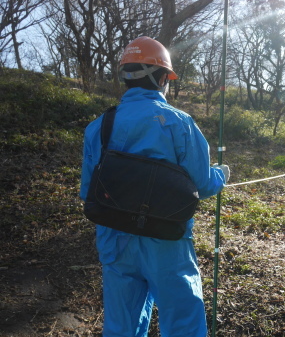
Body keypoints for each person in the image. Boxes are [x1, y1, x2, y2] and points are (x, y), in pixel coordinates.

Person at [80, 36, 230, 336]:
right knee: (183, 324)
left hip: (114, 240)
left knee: (122, 327)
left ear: (126, 77)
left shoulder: (99, 126)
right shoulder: (180, 123)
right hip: (165, 241)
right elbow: (201, 184)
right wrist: (222, 174)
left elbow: (88, 192)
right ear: (162, 77)